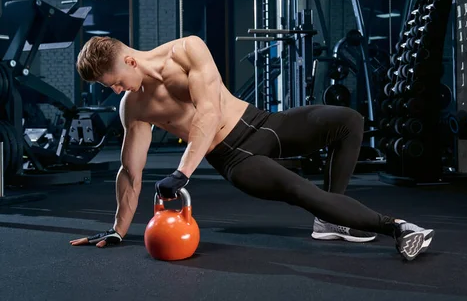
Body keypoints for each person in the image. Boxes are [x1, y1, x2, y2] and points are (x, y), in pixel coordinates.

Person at [69, 35, 434, 261]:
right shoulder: (134, 106)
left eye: (115, 82)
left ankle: (330, 219)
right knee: (299, 189)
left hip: (261, 124)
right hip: (234, 157)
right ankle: (398, 229)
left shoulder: (186, 50)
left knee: (349, 121)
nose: (116, 91)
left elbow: (208, 112)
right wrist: (118, 228)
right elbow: (130, 171)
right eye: (110, 87)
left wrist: (181, 173)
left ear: (130, 61)